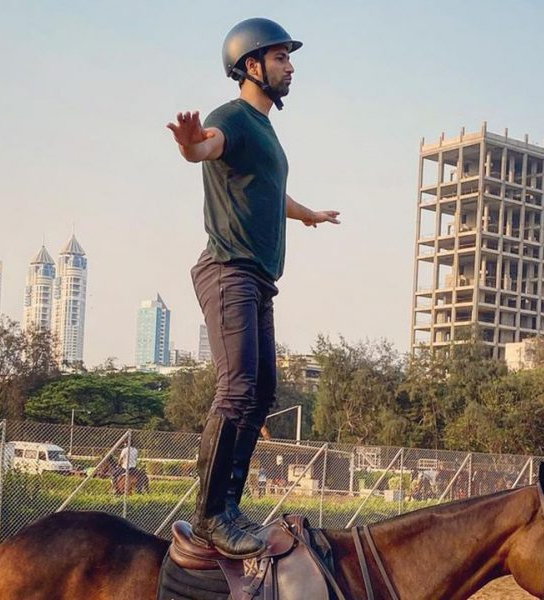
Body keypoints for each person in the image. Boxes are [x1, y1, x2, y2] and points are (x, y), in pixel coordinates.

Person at [166, 17, 340, 559]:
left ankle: (230, 507)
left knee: (262, 392)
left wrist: (307, 215)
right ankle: (210, 515)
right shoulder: (232, 118)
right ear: (250, 65)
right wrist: (191, 145)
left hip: (258, 278)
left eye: (290, 57)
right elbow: (207, 147)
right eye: (281, 57)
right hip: (228, 268)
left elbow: (269, 193)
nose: (291, 67)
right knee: (237, 389)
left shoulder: (267, 133)